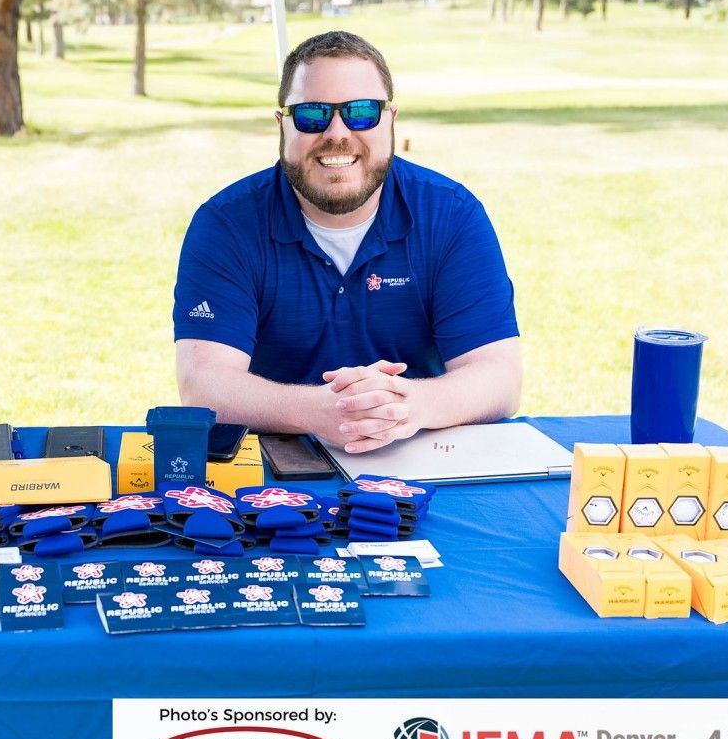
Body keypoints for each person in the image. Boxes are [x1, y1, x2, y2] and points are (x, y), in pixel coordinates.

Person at [173, 30, 521, 454]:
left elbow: (499, 377)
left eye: (361, 112)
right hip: (271, 474)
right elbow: (202, 384)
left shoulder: (452, 215)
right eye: (313, 115)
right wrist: (316, 411)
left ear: (391, 120)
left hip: (424, 457)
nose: (337, 133)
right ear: (281, 124)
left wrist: (408, 406)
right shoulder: (224, 225)